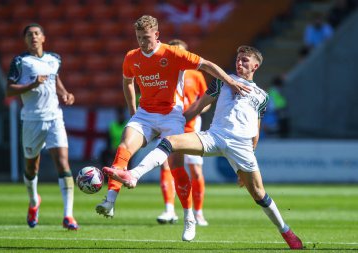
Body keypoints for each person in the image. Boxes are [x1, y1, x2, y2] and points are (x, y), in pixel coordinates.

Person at [103, 45, 304, 249]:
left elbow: (256, 129)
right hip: (214, 136)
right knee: (170, 142)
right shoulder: (222, 81)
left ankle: (286, 232)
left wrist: (246, 161)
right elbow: (200, 105)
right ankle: (134, 175)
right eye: (238, 58)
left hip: (242, 146)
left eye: (245, 60)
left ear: (256, 65)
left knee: (259, 194)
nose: (240, 62)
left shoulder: (262, 96)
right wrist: (179, 119)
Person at [95, 15, 251, 242]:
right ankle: (109, 201)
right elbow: (127, 81)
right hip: (145, 114)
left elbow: (207, 64)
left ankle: (189, 218)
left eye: (147, 38)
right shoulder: (131, 57)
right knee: (123, 148)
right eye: (139, 38)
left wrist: (231, 81)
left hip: (171, 115)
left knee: (175, 166)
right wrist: (132, 110)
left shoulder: (173, 53)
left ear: (157, 35)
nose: (143, 42)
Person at [6, 23, 78, 230]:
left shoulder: (54, 59)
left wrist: (64, 92)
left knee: (63, 164)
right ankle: (34, 201)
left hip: (54, 117)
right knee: (31, 167)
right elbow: (9, 90)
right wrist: (31, 85)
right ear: (25, 40)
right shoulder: (20, 62)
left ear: (44, 38)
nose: (33, 37)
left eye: (37, 34)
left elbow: (55, 79)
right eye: (29, 35)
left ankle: (68, 216)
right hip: (31, 120)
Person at [156, 39, 209, 226]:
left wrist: (193, 113)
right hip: (169, 126)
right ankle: (169, 210)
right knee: (165, 166)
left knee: (195, 170)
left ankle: (199, 212)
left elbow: (206, 100)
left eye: (181, 53)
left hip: (191, 127)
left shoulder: (196, 75)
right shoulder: (162, 73)